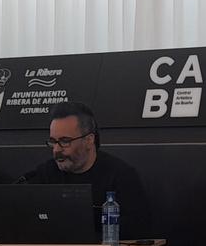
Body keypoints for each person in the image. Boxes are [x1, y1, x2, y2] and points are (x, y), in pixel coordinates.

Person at [19, 101, 150, 236]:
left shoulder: (120, 176)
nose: (56, 150)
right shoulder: (45, 173)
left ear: (89, 140)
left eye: (65, 141)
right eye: (53, 142)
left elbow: (138, 227)